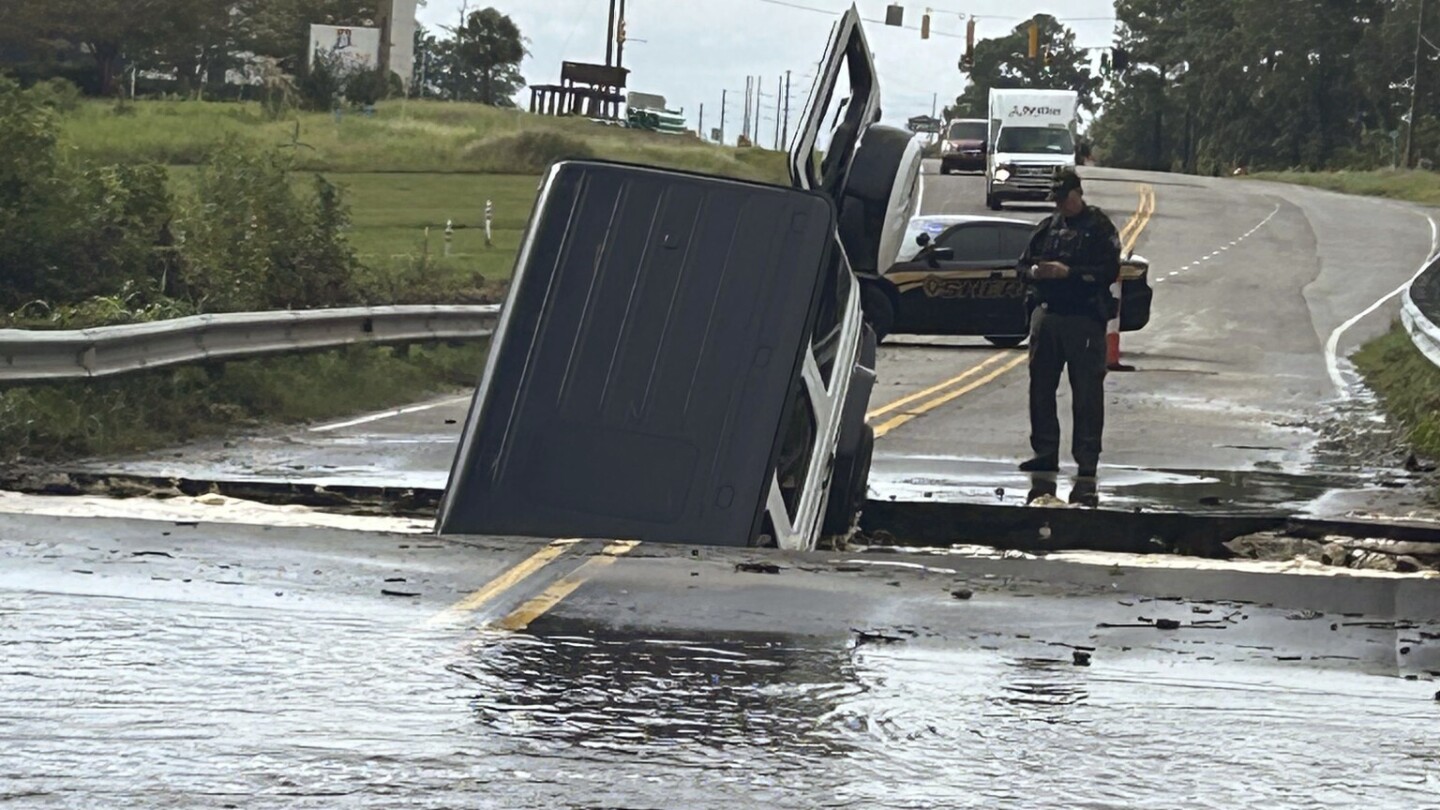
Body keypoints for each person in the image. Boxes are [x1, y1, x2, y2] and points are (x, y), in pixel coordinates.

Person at [1015, 168, 1121, 478]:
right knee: (1041, 388)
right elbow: (1021, 265)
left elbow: (1109, 270)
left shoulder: (1099, 227)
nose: (1061, 205)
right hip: (1047, 316)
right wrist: (1037, 272)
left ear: (1078, 193)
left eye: (1065, 199)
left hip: (1083, 318)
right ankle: (1045, 452)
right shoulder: (1047, 227)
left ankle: (1087, 458)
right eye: (1056, 200)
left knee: (1087, 392)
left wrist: (1069, 273)